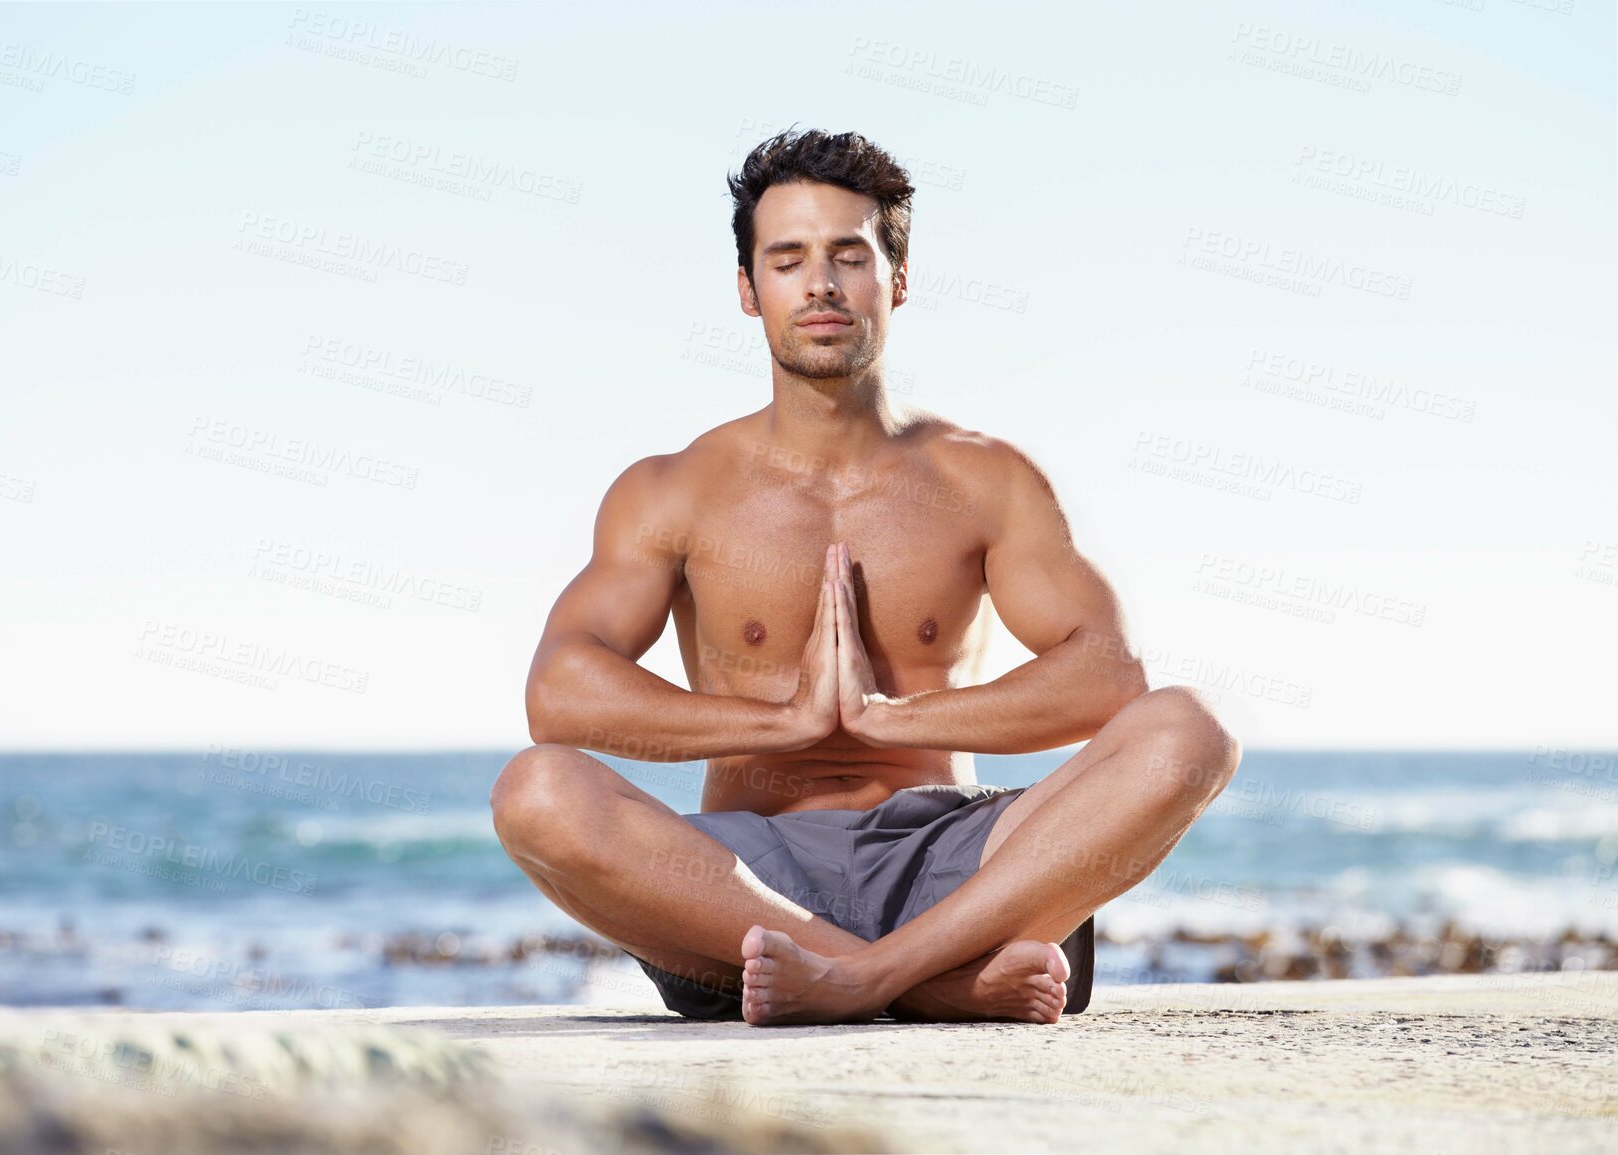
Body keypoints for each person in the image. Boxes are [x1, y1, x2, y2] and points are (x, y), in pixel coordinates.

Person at [491, 128, 1241, 1026]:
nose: (820, 284)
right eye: (788, 260)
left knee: (1193, 729)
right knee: (535, 790)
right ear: (748, 289)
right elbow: (560, 694)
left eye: (849, 256)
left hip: (953, 858)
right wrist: (785, 720)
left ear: (899, 278)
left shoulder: (985, 478)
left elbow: (1110, 678)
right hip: (745, 886)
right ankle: (930, 984)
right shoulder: (671, 491)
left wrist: (890, 716)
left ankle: (862, 978)